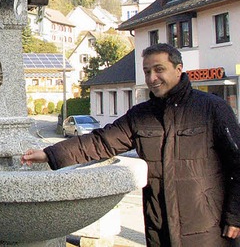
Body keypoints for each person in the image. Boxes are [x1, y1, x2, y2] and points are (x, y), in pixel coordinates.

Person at [22, 43, 240, 246]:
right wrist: (49, 154)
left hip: (208, 229)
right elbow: (100, 142)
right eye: (147, 72)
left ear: (178, 69)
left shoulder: (212, 109)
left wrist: (235, 216)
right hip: (159, 227)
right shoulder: (141, 115)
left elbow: (238, 164)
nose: (152, 78)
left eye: (159, 69)